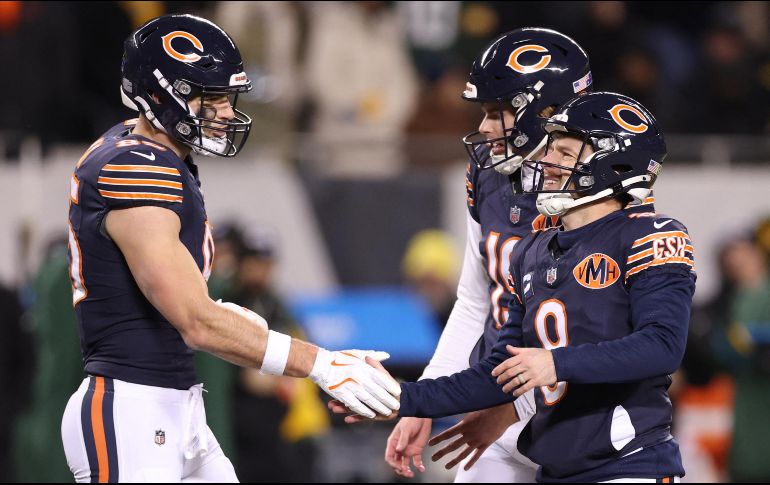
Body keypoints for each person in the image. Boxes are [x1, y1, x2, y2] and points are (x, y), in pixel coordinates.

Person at [61, 14, 400, 483]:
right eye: (210, 98)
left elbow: (173, 305)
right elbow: (196, 322)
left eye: (226, 97)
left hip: (177, 406)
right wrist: (321, 363)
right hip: (132, 410)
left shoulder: (150, 152)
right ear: (159, 95)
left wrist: (228, 319)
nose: (224, 112)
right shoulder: (135, 167)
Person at [335, 92, 695, 482]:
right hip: (556, 470)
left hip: (629, 466)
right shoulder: (533, 249)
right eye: (550, 148)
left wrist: (556, 363)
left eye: (564, 152)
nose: (547, 160)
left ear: (613, 163)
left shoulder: (651, 235)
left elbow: (662, 346)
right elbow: (497, 372)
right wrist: (404, 398)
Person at [385, 28, 593, 482]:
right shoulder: (487, 171)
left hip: (585, 417)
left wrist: (511, 407)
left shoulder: (600, 190)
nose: (483, 126)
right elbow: (476, 300)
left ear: (548, 112)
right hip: (500, 399)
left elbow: (603, 330)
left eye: (499, 112)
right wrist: (426, 398)